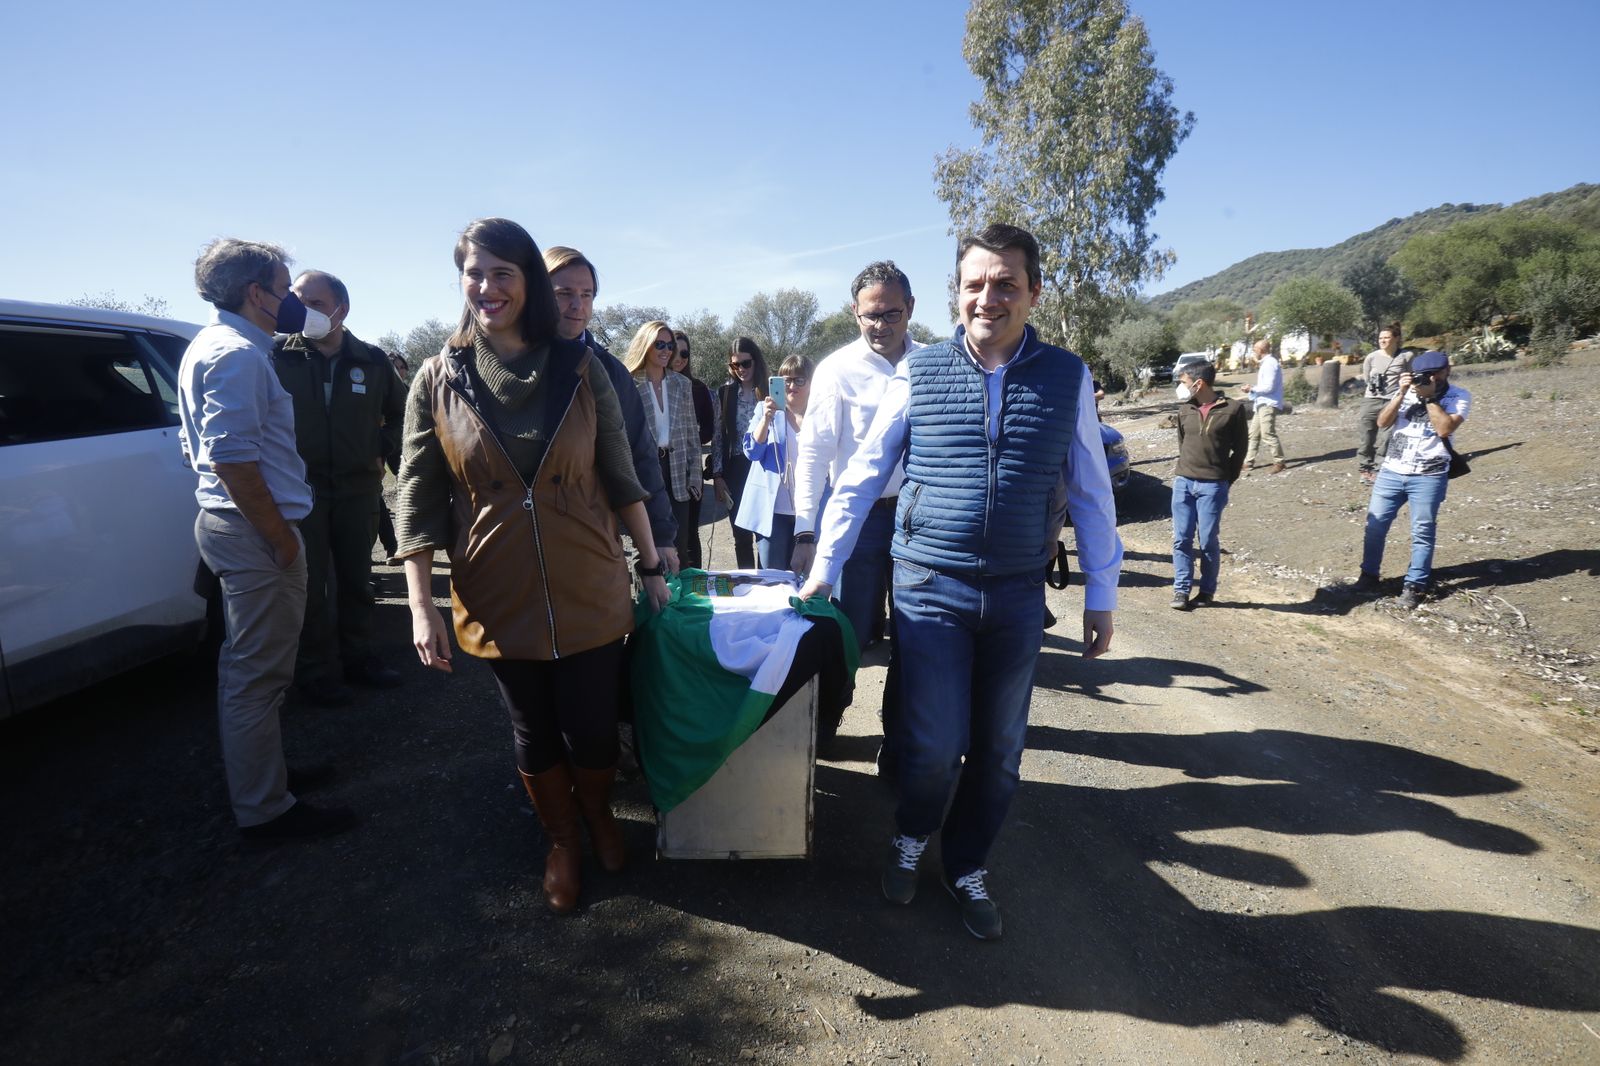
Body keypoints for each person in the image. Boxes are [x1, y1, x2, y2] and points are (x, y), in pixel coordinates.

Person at [799, 225, 1121, 940]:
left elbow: (1093, 490)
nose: (989, 296)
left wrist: (1103, 592)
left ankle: (968, 863)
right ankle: (913, 834)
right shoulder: (922, 370)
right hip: (929, 587)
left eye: (1007, 282)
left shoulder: (1067, 375)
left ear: (1034, 291)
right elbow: (860, 475)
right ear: (956, 293)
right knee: (936, 743)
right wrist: (823, 566)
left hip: (1014, 594)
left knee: (1001, 750)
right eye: (976, 283)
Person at [395, 218, 670, 913]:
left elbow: (622, 474)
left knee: (594, 725)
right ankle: (562, 841)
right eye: (473, 273)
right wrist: (423, 605)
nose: (486, 288)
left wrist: (655, 566)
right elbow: (417, 498)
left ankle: (600, 813)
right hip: (495, 589)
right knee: (532, 727)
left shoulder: (582, 368)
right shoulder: (436, 378)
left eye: (502, 274)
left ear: (526, 285)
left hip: (589, 579)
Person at [177, 238, 358, 841]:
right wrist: (281, 538)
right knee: (257, 677)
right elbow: (229, 457)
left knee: (256, 668)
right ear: (257, 295)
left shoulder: (213, 346)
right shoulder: (237, 355)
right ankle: (265, 809)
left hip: (240, 528)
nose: (291, 301)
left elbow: (195, 447)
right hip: (256, 534)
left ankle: (269, 776)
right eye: (283, 290)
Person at [790, 261, 925, 777]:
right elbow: (815, 455)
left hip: (918, 519)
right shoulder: (837, 371)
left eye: (892, 313)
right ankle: (827, 722)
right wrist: (807, 531)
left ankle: (899, 741)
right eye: (870, 314)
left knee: (913, 635)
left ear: (910, 309)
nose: (881, 324)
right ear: (855, 312)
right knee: (843, 633)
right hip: (858, 521)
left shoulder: (933, 365)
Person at [271, 270, 405, 706]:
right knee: (308, 587)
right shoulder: (276, 356)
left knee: (358, 580)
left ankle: (361, 659)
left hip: (357, 489)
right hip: (300, 492)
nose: (302, 310)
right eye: (296, 300)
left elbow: (405, 415)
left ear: (341, 310)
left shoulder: (372, 360)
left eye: (314, 303)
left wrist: (380, 448)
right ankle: (314, 671)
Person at [544, 245, 679, 572]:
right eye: (563, 293)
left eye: (587, 294)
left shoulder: (609, 371)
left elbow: (639, 454)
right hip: (517, 547)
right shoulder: (506, 363)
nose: (577, 305)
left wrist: (660, 536)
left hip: (590, 541)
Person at [1355, 350, 1469, 609]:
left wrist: (1429, 398)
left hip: (1429, 475)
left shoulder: (1459, 396)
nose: (1428, 378)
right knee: (1374, 527)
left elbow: (1445, 428)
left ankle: (1414, 585)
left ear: (1445, 371)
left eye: (1434, 373)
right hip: (1392, 471)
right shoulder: (1406, 393)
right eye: (1423, 374)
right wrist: (1401, 393)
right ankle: (1368, 576)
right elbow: (1383, 422)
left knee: (1422, 531)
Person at [1169, 354, 1250, 610]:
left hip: (1212, 486)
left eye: (1184, 380)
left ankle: (1206, 592)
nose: (1181, 385)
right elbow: (1183, 445)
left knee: (1207, 541)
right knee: (1181, 539)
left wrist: (1226, 480)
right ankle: (1181, 591)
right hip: (1183, 483)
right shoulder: (1184, 410)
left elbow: (1240, 450)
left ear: (1200, 383)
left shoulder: (1233, 409)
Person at [627, 321, 702, 566]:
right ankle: (649, 600)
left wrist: (695, 477)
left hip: (677, 470)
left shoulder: (682, 384)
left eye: (669, 345)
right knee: (646, 546)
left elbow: (692, 433)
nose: (666, 350)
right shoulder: (628, 383)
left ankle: (675, 600)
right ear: (645, 345)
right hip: (644, 472)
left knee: (679, 545)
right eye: (659, 344)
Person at [735, 354, 813, 571]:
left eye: (800, 380)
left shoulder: (820, 413)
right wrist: (766, 419)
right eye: (786, 380)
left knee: (806, 578)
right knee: (772, 578)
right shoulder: (764, 409)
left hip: (808, 512)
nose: (791, 386)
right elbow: (752, 452)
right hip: (773, 511)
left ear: (811, 382)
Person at [712, 338, 768, 569]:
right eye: (735, 365)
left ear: (756, 361)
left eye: (745, 363)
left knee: (765, 536)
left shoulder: (769, 391)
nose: (741, 370)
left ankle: (766, 585)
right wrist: (717, 476)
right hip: (735, 469)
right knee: (741, 535)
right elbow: (717, 437)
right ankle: (747, 585)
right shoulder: (725, 393)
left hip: (765, 468)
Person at [672, 331, 717, 569]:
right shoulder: (651, 385)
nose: (679, 358)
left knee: (690, 532)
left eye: (685, 353)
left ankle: (695, 588)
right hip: (660, 470)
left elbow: (710, 428)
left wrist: (689, 438)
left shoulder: (697, 388)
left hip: (690, 469)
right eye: (675, 351)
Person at [1356, 323, 1407, 485]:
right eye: (1380, 338)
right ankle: (1365, 468)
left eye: (1387, 337)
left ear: (1396, 339)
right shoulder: (1371, 357)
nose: (1383, 341)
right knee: (1366, 435)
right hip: (1371, 399)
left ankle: (1379, 469)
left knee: (1387, 437)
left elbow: (1410, 376)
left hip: (1392, 401)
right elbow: (1366, 378)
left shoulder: (1406, 356)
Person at [377, 351, 412, 565]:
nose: (398, 371)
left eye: (401, 367)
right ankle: (391, 546)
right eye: (393, 367)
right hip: (381, 446)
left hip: (404, 446)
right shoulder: (377, 390)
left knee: (408, 491)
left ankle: (406, 542)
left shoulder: (409, 391)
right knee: (375, 495)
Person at [1243, 338, 1287, 473]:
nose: (1253, 351)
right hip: (1262, 403)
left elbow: (1269, 387)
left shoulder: (1269, 364)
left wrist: (1252, 389)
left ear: (1261, 350)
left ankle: (1279, 461)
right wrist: (1252, 390)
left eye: (1255, 349)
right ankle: (1248, 462)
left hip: (1268, 403)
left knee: (1268, 433)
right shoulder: (1267, 363)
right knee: (1253, 434)